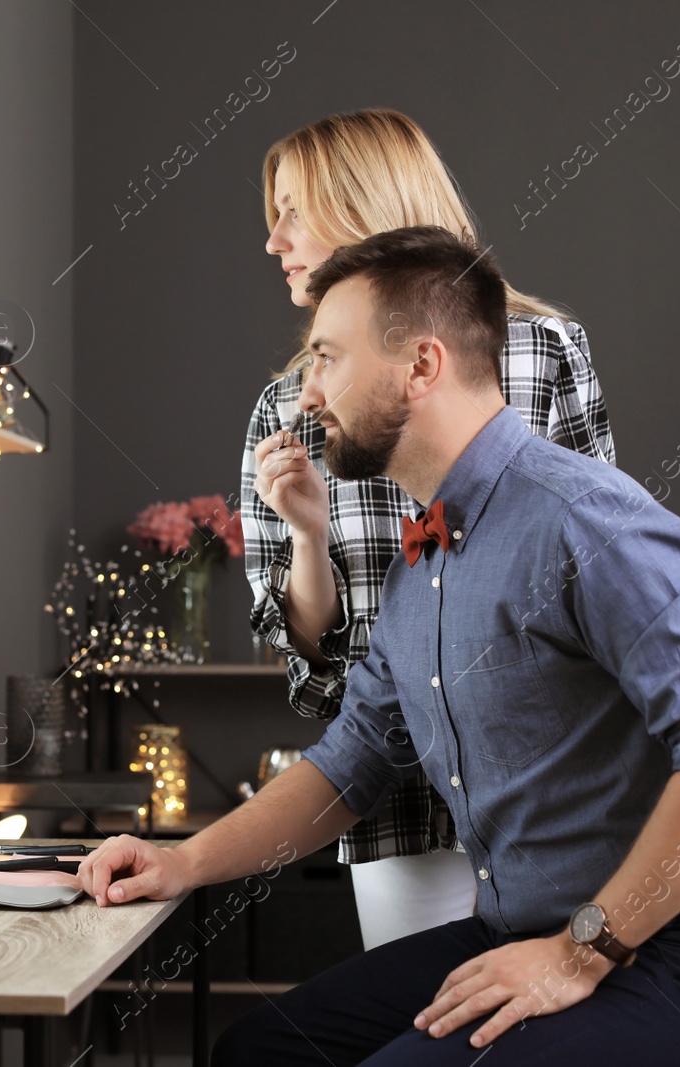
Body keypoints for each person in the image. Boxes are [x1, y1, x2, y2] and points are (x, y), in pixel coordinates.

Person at [80, 226, 680, 1064]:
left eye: (328, 357)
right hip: (517, 931)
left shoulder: (584, 518)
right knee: (260, 1052)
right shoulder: (426, 557)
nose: (308, 395)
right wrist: (183, 861)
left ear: (421, 366)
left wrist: (578, 952)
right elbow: (350, 764)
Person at [243, 108, 615, 949]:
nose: (275, 240)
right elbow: (312, 674)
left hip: (550, 791)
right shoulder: (288, 408)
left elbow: (600, 563)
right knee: (436, 1026)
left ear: (364, 202)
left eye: (294, 209)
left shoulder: (547, 352)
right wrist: (307, 539)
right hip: (395, 797)